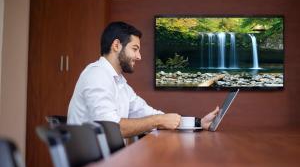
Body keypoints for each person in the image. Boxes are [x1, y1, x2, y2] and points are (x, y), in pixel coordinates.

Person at [67, 22, 219, 138]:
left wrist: (199, 123)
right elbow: (112, 127)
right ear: (116, 45)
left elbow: (150, 114)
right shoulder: (96, 75)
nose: (139, 56)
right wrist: (157, 120)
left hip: (110, 163)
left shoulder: (120, 83)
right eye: (135, 49)